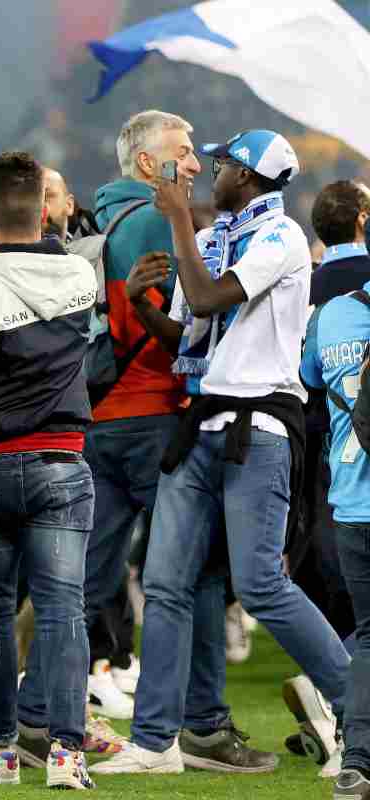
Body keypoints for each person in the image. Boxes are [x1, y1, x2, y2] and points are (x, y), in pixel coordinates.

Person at [94, 129, 345, 776]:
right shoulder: (212, 239)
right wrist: (144, 299)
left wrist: (177, 221)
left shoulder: (281, 237)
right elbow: (191, 336)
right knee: (167, 583)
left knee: (260, 585)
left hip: (258, 427)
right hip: (204, 424)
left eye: (224, 162)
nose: (210, 169)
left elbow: (208, 297)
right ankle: (155, 744)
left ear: (252, 175)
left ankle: (357, 714)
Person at [23, 112, 201, 738]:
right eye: (184, 152)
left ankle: (34, 711)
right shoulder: (157, 218)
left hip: (97, 415)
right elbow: (188, 322)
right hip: (154, 415)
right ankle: (198, 722)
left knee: (84, 580)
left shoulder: (101, 223)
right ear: (149, 164)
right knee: (190, 576)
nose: (197, 164)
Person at [0, 151, 96, 791]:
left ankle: (0, 752)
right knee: (64, 611)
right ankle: (66, 756)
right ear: (44, 210)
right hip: (62, 461)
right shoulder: (81, 279)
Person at [301, 271, 370, 799]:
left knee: (369, 636)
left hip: (350, 501)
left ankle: (357, 762)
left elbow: (309, 380)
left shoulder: (331, 316)